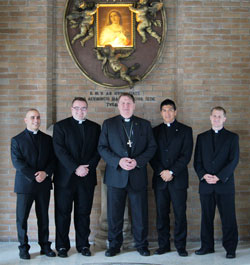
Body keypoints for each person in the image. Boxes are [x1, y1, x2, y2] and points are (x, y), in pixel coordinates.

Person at [98, 93, 157, 257]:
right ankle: (114, 245)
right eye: (123, 103)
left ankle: (141, 244)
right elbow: (102, 148)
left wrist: (137, 161)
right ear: (118, 105)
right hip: (116, 175)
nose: (126, 106)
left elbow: (152, 147)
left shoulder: (144, 125)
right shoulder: (108, 124)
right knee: (114, 214)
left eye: (129, 103)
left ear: (134, 105)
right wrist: (118, 161)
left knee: (140, 213)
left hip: (137, 175)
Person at [53, 97, 101, 258]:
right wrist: (75, 168)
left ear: (87, 109)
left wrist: (87, 168)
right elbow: (59, 151)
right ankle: (61, 246)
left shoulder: (95, 127)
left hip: (86, 177)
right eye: (77, 108)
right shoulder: (60, 126)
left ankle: (83, 245)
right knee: (62, 213)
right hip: (65, 179)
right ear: (71, 109)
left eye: (83, 108)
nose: (80, 111)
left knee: (83, 213)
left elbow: (98, 151)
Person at [194, 106, 239, 259]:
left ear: (224, 119)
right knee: (206, 217)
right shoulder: (201, 137)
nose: (216, 118)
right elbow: (197, 162)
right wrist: (204, 175)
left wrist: (219, 177)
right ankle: (207, 246)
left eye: (219, 116)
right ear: (210, 117)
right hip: (206, 184)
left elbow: (233, 161)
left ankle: (230, 248)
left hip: (224, 185)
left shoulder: (232, 137)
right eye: (214, 116)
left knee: (228, 217)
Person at [11, 109, 56, 260]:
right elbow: (18, 163)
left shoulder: (47, 139)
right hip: (25, 185)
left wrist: (46, 173)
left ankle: (44, 246)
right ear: (26, 120)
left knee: (43, 217)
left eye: (38, 117)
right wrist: (34, 175)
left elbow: (53, 160)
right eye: (32, 117)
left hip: (43, 185)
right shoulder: (17, 140)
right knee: (21, 218)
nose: (36, 120)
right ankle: (23, 248)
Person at [150, 99, 193, 257]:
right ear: (161, 113)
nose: (167, 113)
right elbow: (151, 155)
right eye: (164, 110)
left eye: (170, 110)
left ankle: (181, 246)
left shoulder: (186, 130)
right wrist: (162, 171)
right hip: (160, 180)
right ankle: (164, 245)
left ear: (175, 112)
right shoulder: (154, 131)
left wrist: (172, 172)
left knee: (180, 214)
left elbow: (186, 155)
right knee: (161, 214)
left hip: (178, 180)